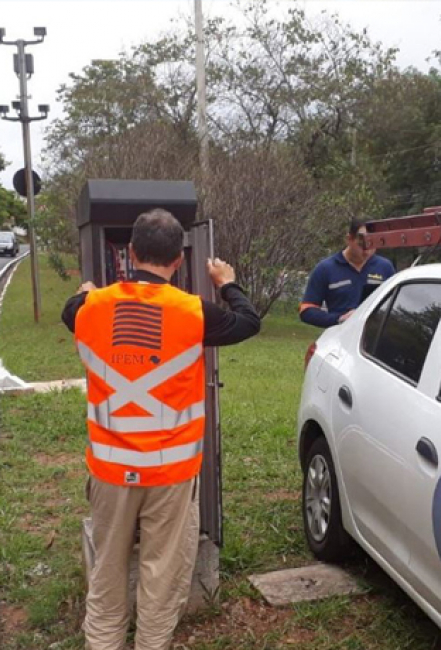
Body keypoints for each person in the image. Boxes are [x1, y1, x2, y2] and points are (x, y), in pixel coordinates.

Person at [61, 208, 260, 650]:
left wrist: (86, 291)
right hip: (170, 474)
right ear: (179, 260)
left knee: (107, 571)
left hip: (110, 471)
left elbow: (70, 309)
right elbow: (249, 322)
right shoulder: (194, 312)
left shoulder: (88, 308)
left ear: (131, 252)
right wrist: (226, 282)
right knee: (161, 572)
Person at [299, 218, 396, 328]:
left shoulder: (385, 267)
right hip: (340, 337)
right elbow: (306, 310)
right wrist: (339, 319)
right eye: (361, 244)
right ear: (349, 239)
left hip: (375, 339)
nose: (367, 250)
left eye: (371, 244)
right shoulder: (325, 268)